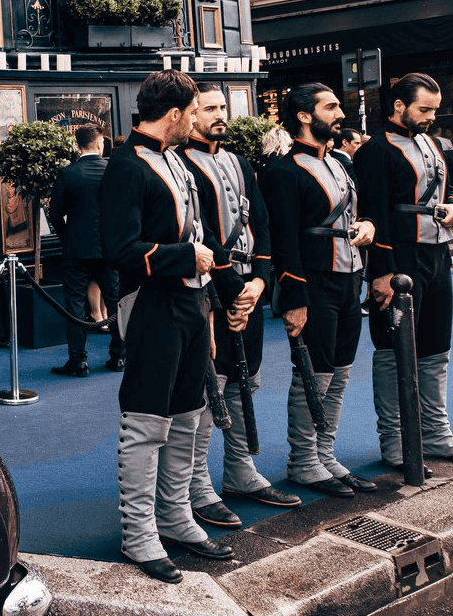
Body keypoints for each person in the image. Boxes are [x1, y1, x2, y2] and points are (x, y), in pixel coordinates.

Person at [101, 70, 230, 584]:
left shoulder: (174, 158)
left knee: (188, 413)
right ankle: (139, 534)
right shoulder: (126, 166)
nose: (199, 119)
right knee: (147, 419)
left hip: (192, 302)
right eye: (195, 111)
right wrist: (185, 256)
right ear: (176, 114)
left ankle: (175, 518)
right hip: (151, 302)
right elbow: (119, 249)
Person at [355, 73, 453, 473]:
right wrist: (380, 272)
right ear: (399, 105)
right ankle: (395, 439)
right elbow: (373, 214)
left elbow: (442, 188)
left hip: (437, 252)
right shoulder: (376, 150)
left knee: (436, 347)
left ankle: (435, 432)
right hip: (398, 258)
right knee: (393, 349)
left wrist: (452, 206)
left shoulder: (432, 143)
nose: (432, 116)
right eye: (424, 109)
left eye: (435, 109)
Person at [180, 84, 301, 526]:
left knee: (246, 381)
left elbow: (263, 224)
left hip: (247, 288)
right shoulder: (183, 166)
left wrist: (260, 283)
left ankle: (240, 471)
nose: (219, 114)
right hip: (214, 293)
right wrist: (233, 291)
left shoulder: (241, 162)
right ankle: (197, 485)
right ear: (190, 116)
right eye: (209, 109)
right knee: (209, 389)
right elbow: (199, 235)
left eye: (222, 107)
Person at [260, 83, 380, 499]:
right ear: (305, 116)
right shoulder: (282, 170)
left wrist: (367, 227)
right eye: (331, 107)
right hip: (312, 282)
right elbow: (283, 239)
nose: (340, 113)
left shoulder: (342, 163)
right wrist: (293, 297)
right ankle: (302, 460)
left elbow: (356, 214)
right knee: (315, 373)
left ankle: (324, 453)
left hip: (349, 277)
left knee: (341, 371)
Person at [47, 124, 126, 375]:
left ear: (77, 144)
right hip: (109, 249)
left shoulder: (68, 173)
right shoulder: (114, 171)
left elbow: (55, 214)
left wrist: (67, 237)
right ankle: (118, 357)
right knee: (115, 302)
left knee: (75, 304)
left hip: (76, 249)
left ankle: (79, 360)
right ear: (100, 142)